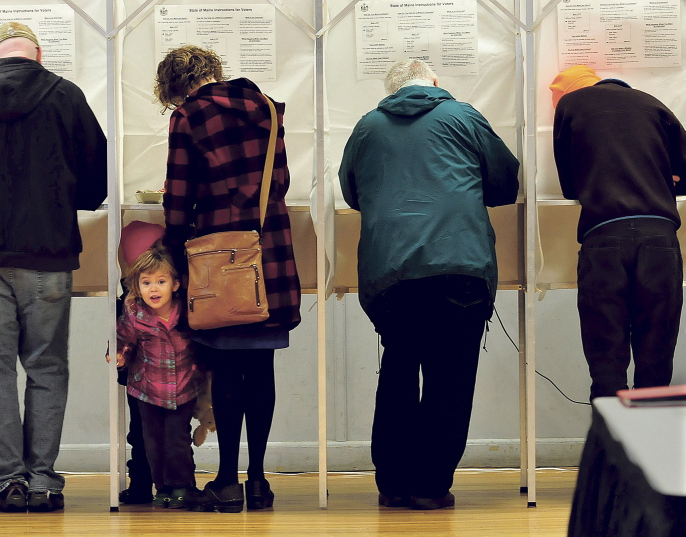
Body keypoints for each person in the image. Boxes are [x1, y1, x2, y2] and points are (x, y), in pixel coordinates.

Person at [0, 21, 107, 513]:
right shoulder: (67, 96)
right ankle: (43, 481)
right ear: (38, 53)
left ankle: (6, 480)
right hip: (48, 254)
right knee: (47, 365)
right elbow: (96, 180)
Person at [338, 59, 519, 510]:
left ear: (391, 89)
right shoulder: (463, 115)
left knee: (399, 370)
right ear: (435, 83)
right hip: (459, 266)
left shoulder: (367, 127)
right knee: (450, 378)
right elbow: (504, 182)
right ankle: (431, 486)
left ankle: (393, 483)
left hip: (391, 272)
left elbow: (351, 191)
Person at [155, 45, 302, 513]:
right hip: (269, 248)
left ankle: (226, 479)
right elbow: (278, 181)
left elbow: (178, 198)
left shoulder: (189, 116)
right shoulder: (266, 108)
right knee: (262, 368)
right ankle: (258, 480)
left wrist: (173, 248)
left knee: (225, 368)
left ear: (174, 87)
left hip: (218, 253)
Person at [551, 65, 686, 400]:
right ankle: (648, 450)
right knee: (656, 361)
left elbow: (570, 187)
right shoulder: (652, 103)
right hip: (659, 239)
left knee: (606, 362)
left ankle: (610, 451)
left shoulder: (570, 107)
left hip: (603, 239)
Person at [115, 237, 205, 509]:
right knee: (152, 443)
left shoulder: (187, 312)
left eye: (161, 282)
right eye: (146, 283)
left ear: (175, 284)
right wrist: (118, 354)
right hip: (147, 389)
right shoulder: (134, 313)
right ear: (137, 287)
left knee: (177, 441)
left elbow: (201, 345)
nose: (153, 289)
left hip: (182, 389)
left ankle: (183, 486)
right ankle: (163, 487)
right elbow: (124, 339)